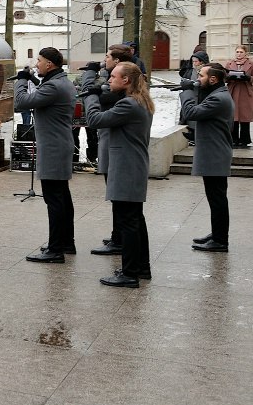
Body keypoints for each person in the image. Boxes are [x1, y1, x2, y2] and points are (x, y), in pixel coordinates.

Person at [83, 62, 153, 287]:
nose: (108, 80)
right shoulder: (137, 101)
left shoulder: (129, 105)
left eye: (113, 77)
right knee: (135, 220)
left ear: (126, 81)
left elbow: (95, 121)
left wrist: (92, 97)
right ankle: (141, 268)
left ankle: (129, 274)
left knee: (128, 222)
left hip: (127, 168)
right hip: (131, 167)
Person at [15, 48, 76, 263]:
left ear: (49, 64)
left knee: (54, 199)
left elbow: (20, 103)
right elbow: (43, 91)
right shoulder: (61, 82)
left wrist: (22, 81)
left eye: (39, 61)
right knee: (62, 197)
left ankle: (55, 249)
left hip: (53, 148)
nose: (36, 64)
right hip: (59, 145)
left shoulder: (54, 86)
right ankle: (66, 242)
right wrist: (32, 77)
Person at [179, 62, 234, 251]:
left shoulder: (218, 99)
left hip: (215, 154)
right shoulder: (216, 94)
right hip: (214, 153)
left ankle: (220, 240)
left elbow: (190, 113)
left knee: (217, 199)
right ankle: (217, 234)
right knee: (215, 198)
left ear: (213, 79)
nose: (196, 79)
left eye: (200, 76)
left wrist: (187, 92)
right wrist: (196, 89)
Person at [84, 45, 133, 254]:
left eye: (107, 57)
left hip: (117, 148)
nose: (104, 60)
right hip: (112, 144)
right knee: (118, 199)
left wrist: (89, 74)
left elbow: (92, 102)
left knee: (121, 202)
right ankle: (118, 236)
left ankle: (120, 240)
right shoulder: (122, 91)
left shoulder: (124, 97)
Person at [225, 46, 253, 147]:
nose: (239, 54)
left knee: (245, 115)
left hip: (245, 91)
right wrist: (229, 77)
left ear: (245, 53)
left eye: (241, 52)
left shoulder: (252, 64)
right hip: (233, 90)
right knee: (233, 115)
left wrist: (248, 78)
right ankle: (233, 139)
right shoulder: (229, 63)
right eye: (237, 52)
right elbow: (224, 77)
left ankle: (245, 139)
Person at [179, 50, 210, 144]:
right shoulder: (190, 71)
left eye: (196, 61)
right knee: (190, 119)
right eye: (193, 61)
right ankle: (191, 136)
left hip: (202, 98)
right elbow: (184, 81)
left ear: (202, 61)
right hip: (192, 98)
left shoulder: (207, 70)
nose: (194, 63)